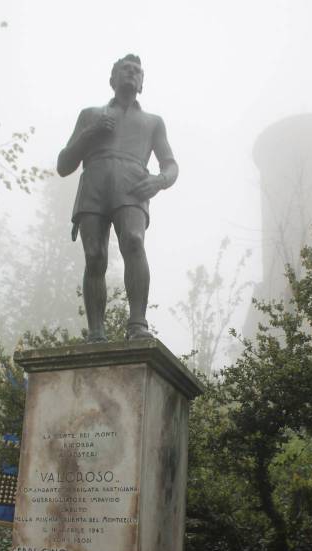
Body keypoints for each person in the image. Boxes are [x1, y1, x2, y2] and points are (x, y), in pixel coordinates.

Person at [57, 54, 179, 341]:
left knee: (134, 241)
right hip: (94, 184)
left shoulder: (153, 122)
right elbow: (64, 165)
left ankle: (137, 324)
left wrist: (159, 181)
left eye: (137, 71)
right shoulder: (90, 114)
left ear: (142, 83)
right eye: (126, 69)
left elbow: (171, 165)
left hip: (133, 184)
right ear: (112, 79)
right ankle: (96, 333)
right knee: (94, 256)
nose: (132, 74)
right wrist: (91, 132)